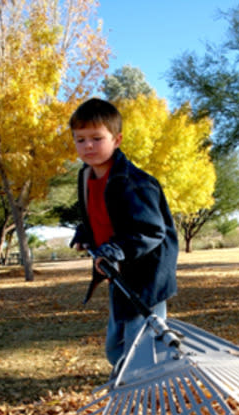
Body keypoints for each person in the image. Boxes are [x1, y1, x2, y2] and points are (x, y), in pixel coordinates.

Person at [69, 98, 179, 371]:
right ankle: (135, 380)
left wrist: (114, 250)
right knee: (115, 348)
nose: (88, 146)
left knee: (141, 347)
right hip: (118, 273)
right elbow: (98, 213)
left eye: (97, 138)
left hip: (146, 276)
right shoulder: (86, 176)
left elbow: (151, 230)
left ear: (116, 140)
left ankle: (149, 389)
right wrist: (85, 233)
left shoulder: (135, 182)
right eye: (80, 139)